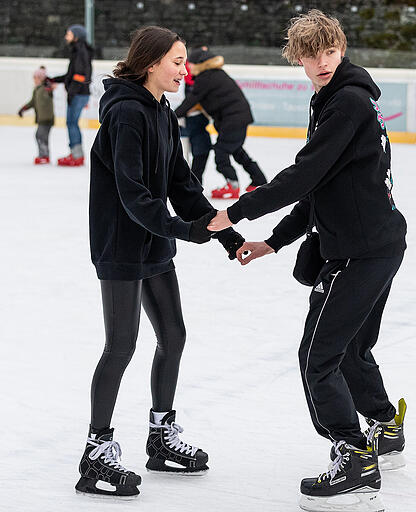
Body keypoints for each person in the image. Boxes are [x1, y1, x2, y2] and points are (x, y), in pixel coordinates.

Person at [207, 10, 407, 512]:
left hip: (361, 252)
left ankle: (355, 459)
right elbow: (321, 186)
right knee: (352, 351)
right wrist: (275, 241)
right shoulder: (336, 99)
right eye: (311, 53)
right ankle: (385, 426)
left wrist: (235, 212)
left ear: (341, 49)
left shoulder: (347, 103)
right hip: (375, 244)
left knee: (319, 359)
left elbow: (303, 175)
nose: (321, 61)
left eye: (330, 51)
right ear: (297, 56)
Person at [75, 25, 246, 498]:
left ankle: (159, 437)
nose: (184, 70)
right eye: (176, 61)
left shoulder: (162, 112)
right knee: (122, 344)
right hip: (121, 245)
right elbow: (134, 197)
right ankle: (95, 453)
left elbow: (183, 186)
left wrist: (225, 235)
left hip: (154, 246)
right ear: (151, 63)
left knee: (173, 335)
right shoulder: (127, 114)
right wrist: (186, 231)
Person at [173, 47, 267, 199]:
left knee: (221, 152)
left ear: (199, 64)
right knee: (236, 150)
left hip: (233, 120)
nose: (188, 67)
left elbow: (191, 101)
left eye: (190, 64)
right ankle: (259, 180)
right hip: (237, 119)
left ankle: (233, 185)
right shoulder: (214, 74)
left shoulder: (205, 78)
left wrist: (171, 115)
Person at [50, 24, 94, 167]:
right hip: (79, 93)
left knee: (71, 123)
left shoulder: (81, 52)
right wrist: (54, 80)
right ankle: (76, 153)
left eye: (68, 34)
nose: (66, 37)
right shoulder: (78, 51)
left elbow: (80, 76)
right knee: (71, 122)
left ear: (76, 36)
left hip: (79, 94)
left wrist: (72, 92)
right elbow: (71, 75)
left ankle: (77, 155)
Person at [178, 57, 212, 184]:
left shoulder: (198, 73)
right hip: (184, 119)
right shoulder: (187, 68)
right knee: (184, 154)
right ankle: (191, 183)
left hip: (194, 119)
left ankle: (194, 183)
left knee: (200, 151)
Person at [17, 66, 54, 164]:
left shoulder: (45, 88)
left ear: (41, 79)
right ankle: (44, 154)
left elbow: (50, 93)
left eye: (36, 78)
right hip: (41, 118)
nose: (34, 80)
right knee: (40, 136)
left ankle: (44, 155)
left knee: (41, 136)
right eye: (34, 78)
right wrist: (23, 109)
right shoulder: (36, 90)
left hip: (47, 118)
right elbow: (32, 102)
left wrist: (49, 88)